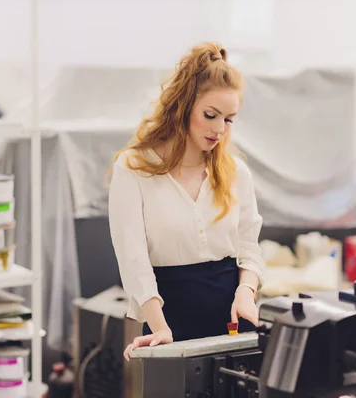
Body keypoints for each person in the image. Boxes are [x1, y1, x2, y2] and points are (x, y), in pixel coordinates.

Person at [107, 42, 266, 360]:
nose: (220, 129)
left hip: (231, 319)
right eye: (210, 115)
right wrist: (159, 327)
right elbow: (133, 258)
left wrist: (246, 293)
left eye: (229, 119)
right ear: (184, 106)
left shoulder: (236, 173)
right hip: (167, 320)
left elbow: (249, 247)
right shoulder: (134, 169)